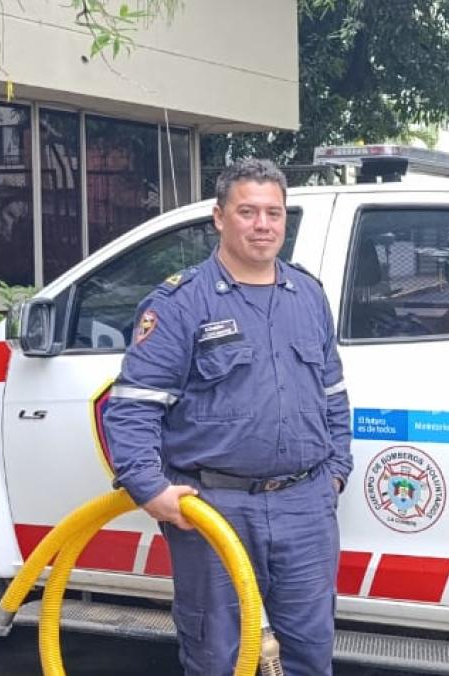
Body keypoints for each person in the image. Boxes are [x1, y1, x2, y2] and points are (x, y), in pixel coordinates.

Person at [103, 158, 351, 675]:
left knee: (310, 647)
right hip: (214, 506)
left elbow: (334, 392)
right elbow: (132, 406)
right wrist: (149, 488)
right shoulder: (179, 303)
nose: (262, 224)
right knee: (217, 652)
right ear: (219, 217)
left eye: (273, 213)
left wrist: (335, 473)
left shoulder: (307, 294)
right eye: (247, 211)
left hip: (305, 506)